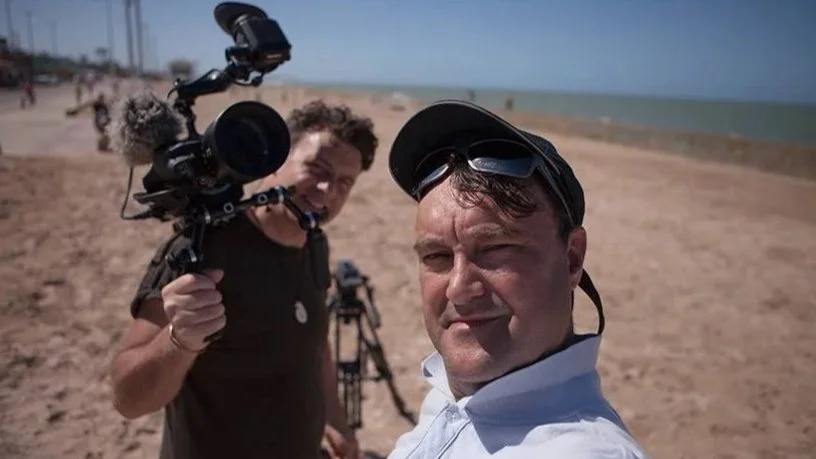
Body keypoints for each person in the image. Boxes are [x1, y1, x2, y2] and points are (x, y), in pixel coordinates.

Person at [109, 100, 379, 459]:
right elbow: (128, 398)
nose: (328, 191)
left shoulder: (316, 243)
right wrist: (179, 341)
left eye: (344, 182)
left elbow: (315, 341)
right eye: (317, 169)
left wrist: (337, 421)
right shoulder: (204, 247)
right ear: (276, 160)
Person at [385, 100, 648, 458]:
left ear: (572, 259)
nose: (459, 288)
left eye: (496, 249)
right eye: (437, 256)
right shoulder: (456, 394)